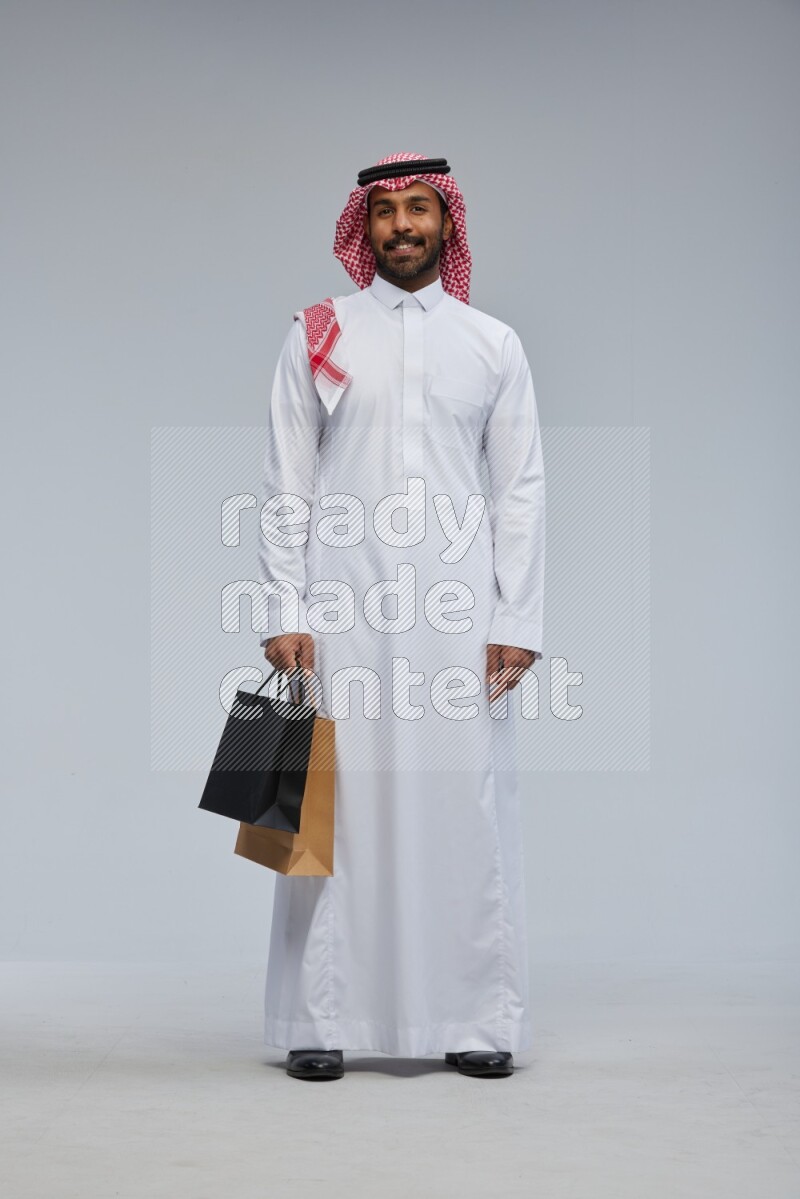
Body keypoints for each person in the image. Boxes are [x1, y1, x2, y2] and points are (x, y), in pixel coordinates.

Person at [257, 152, 545, 1080]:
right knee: (327, 808)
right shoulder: (319, 333)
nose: (403, 227)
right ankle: (318, 1022)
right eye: (385, 213)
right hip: (341, 606)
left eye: (419, 209)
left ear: (447, 223)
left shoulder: (493, 343)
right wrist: (282, 606)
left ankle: (474, 1021)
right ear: (364, 228)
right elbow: (285, 483)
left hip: (460, 620)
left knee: (461, 807)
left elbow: (522, 491)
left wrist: (518, 618)